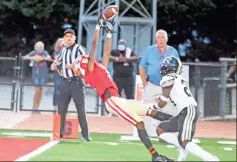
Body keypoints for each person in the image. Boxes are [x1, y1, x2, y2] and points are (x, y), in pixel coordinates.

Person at [65, 17, 174, 161]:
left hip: (118, 99)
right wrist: (97, 27)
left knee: (150, 111)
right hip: (111, 101)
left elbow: (106, 52)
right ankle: (155, 156)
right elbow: (93, 45)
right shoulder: (88, 72)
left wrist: (109, 33)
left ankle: (180, 119)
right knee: (139, 123)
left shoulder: (97, 68)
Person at [155, 56, 219, 161]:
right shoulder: (179, 78)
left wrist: (151, 107)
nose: (163, 70)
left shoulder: (168, 78)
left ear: (172, 68)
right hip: (185, 111)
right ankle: (182, 150)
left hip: (187, 110)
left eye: (166, 68)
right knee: (160, 129)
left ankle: (210, 159)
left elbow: (163, 102)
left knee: (184, 141)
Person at [139, 29, 180, 137]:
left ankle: (165, 132)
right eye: (159, 37)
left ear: (166, 39)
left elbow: (178, 68)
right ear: (156, 39)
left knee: (168, 108)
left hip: (167, 85)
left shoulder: (173, 51)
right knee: (147, 107)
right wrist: (144, 83)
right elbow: (142, 66)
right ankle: (146, 132)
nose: (161, 40)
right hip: (152, 84)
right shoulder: (149, 50)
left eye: (163, 37)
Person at [51, 29, 90, 141]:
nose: (68, 38)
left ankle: (85, 135)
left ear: (74, 38)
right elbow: (58, 60)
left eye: (70, 36)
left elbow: (86, 59)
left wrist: (74, 65)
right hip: (64, 81)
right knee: (61, 109)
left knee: (80, 109)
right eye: (66, 36)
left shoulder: (79, 48)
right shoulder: (64, 50)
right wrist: (54, 64)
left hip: (76, 81)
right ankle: (60, 133)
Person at [23, 41, 52, 114]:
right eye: (38, 47)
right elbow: (25, 57)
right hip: (36, 73)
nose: (40, 48)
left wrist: (42, 58)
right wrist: (34, 58)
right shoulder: (33, 52)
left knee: (40, 90)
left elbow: (49, 58)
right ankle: (34, 107)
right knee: (37, 90)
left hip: (43, 73)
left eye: (41, 47)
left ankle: (37, 107)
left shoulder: (44, 52)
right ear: (35, 48)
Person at [52, 38, 65, 113]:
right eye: (60, 43)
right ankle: (55, 108)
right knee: (57, 90)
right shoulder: (56, 52)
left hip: (65, 73)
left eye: (63, 43)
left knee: (65, 92)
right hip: (58, 73)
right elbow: (58, 61)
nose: (62, 45)